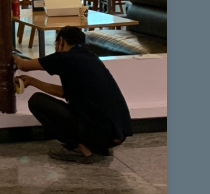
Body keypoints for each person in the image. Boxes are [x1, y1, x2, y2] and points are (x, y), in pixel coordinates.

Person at [13, 27, 134, 163]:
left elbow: (23, 65)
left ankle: (81, 149)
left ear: (61, 41)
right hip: (117, 135)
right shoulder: (90, 56)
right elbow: (65, 92)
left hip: (101, 134)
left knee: (36, 101)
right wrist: (33, 81)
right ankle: (98, 147)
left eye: (56, 44)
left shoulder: (64, 58)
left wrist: (13, 55)